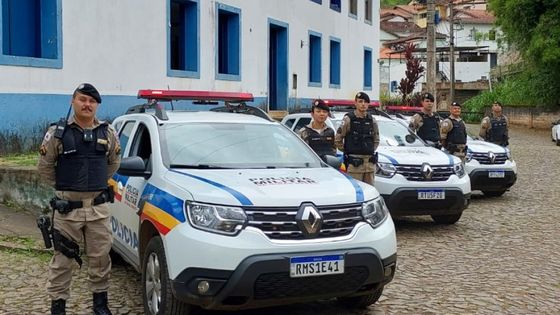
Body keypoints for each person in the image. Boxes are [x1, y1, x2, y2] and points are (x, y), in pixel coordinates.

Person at [37, 83, 121, 315]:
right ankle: (58, 306)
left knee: (101, 259)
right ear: (73, 101)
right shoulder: (58, 133)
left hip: (98, 209)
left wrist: (93, 183)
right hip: (67, 211)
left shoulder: (108, 132)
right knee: (63, 261)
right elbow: (44, 168)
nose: (87, 104)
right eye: (82, 99)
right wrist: (67, 186)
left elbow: (113, 163)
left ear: (97, 105)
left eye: (92, 101)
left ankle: (100, 305)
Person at [335, 92, 380, 184]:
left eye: (365, 102)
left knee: (370, 192)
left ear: (368, 104)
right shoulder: (348, 119)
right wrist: (348, 150)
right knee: (355, 191)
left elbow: (376, 139)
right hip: (354, 165)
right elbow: (338, 139)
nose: (363, 104)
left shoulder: (372, 120)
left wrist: (369, 149)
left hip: (369, 165)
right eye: (360, 101)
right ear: (355, 103)